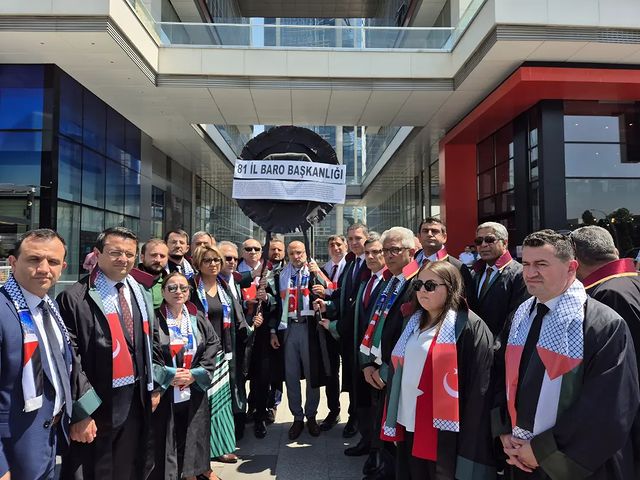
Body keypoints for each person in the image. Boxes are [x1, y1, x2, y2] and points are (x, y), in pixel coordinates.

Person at [493, 230, 640, 479]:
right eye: (526, 264)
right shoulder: (520, 316)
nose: (529, 273)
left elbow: (607, 407)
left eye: (541, 264)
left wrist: (541, 450)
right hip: (519, 455)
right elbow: (499, 376)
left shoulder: (602, 324)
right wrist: (503, 431)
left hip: (573, 464)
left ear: (571, 267)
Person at [381, 260, 495, 479]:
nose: (422, 290)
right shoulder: (413, 321)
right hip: (408, 420)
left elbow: (480, 385)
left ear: (450, 288)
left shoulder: (468, 326)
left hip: (443, 430)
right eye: (418, 285)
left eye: (430, 286)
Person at [58, 227, 156, 480]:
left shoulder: (139, 291)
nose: (123, 259)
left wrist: (155, 385)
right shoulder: (75, 297)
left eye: (129, 253)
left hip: (135, 398)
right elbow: (70, 359)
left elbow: (148, 342)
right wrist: (82, 411)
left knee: (128, 466)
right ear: (97, 253)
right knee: (92, 469)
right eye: (115, 252)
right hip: (98, 401)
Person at [0, 229, 73, 480]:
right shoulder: (3, 309)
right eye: (34, 259)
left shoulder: (49, 306)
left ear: (62, 267)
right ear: (13, 262)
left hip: (48, 441)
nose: (44, 268)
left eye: (53, 262)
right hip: (12, 449)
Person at [318, 234, 389, 459]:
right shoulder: (366, 279)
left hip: (379, 358)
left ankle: (378, 453)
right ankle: (367, 442)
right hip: (360, 351)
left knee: (378, 406)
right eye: (368, 253)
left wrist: (336, 325)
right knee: (363, 400)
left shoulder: (391, 282)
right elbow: (351, 309)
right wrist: (331, 311)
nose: (370, 256)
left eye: (376, 252)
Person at [359, 226, 420, 480]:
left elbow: (411, 333)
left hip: (400, 373)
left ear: (412, 251)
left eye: (395, 249)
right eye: (386, 250)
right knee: (383, 426)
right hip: (380, 367)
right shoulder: (391, 280)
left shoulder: (417, 283)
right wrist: (368, 363)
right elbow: (376, 324)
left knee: (397, 432)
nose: (389, 255)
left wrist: (385, 369)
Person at [150, 272, 220, 480]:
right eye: (172, 288)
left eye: (183, 288)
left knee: (194, 430)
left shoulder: (196, 317)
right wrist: (168, 375)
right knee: (167, 434)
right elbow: (149, 352)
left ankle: (193, 471)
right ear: (162, 291)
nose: (178, 292)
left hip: (193, 383)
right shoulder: (154, 319)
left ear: (189, 293)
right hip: (166, 388)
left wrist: (196, 374)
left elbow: (212, 343)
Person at [189, 245, 247, 469]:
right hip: (200, 356)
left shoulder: (224, 286)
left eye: (216, 260)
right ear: (198, 264)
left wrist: (250, 328)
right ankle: (201, 449)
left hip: (224, 352)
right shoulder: (192, 287)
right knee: (202, 403)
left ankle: (222, 447)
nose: (212, 264)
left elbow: (237, 317)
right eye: (207, 260)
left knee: (222, 403)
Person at [270, 241, 329, 440]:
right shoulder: (280, 274)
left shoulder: (314, 271)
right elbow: (275, 303)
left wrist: (318, 274)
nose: (297, 256)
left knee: (313, 374)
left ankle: (311, 416)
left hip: (309, 328)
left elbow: (330, 290)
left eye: (300, 252)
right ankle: (297, 417)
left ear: (306, 253)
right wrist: (273, 331)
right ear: (288, 255)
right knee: (291, 375)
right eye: (293, 253)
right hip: (289, 328)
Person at [330, 223, 369, 438]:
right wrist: (327, 304)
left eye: (358, 238)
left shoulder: (369, 265)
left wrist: (336, 326)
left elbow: (358, 303)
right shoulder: (351, 263)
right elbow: (343, 294)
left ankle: (358, 420)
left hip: (361, 333)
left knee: (360, 380)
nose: (354, 242)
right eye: (351, 239)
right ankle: (354, 416)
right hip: (349, 335)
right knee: (352, 378)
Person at [466, 222, 529, 336]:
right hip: (476, 344)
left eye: (490, 239)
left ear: (504, 243)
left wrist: (496, 348)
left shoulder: (520, 274)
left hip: (501, 348)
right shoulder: (474, 273)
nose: (484, 245)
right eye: (479, 241)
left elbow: (516, 317)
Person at [319, 234, 348, 431]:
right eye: (332, 245)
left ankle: (354, 415)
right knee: (331, 373)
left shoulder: (352, 267)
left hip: (345, 326)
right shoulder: (322, 270)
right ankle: (333, 410)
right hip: (327, 327)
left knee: (351, 371)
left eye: (339, 244)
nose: (336, 248)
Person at [131, 239, 169, 309]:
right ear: (142, 257)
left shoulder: (170, 283)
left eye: (162, 256)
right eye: (153, 255)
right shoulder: (130, 281)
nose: (158, 260)